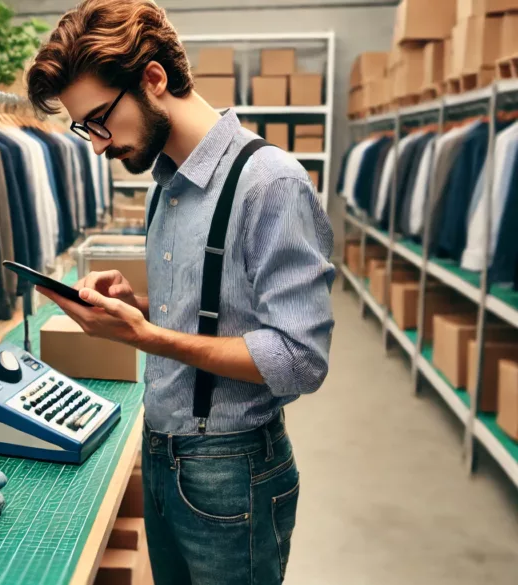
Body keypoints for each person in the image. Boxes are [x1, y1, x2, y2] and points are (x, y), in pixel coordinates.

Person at [25, 1, 336, 583]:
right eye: (83, 128)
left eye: (99, 119)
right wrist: (137, 307)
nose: (96, 144)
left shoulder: (270, 183)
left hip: (232, 472)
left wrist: (147, 336)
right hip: (163, 454)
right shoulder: (165, 183)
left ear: (153, 79)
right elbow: (215, 314)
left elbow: (300, 361)